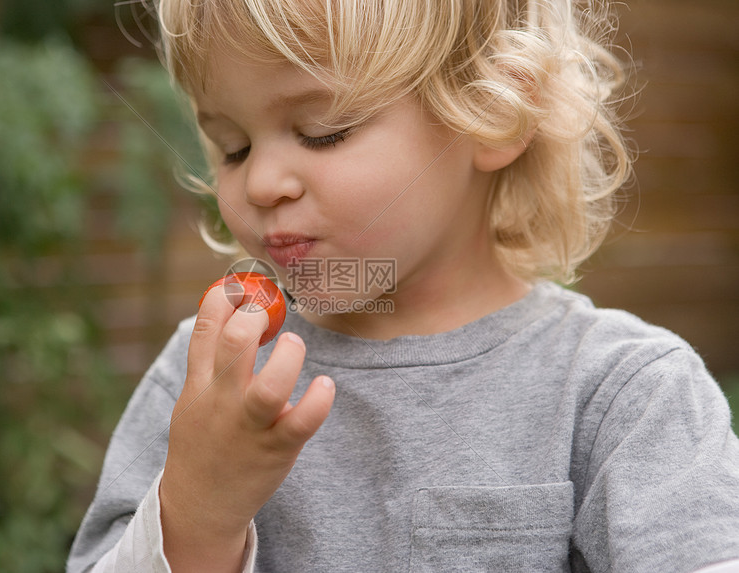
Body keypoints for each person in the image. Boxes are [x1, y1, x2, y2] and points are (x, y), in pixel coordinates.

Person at [67, 0, 739, 571]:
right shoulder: (210, 379)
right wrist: (195, 511)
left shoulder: (623, 394)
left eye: (322, 132)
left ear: (497, 109)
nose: (262, 182)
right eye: (233, 146)